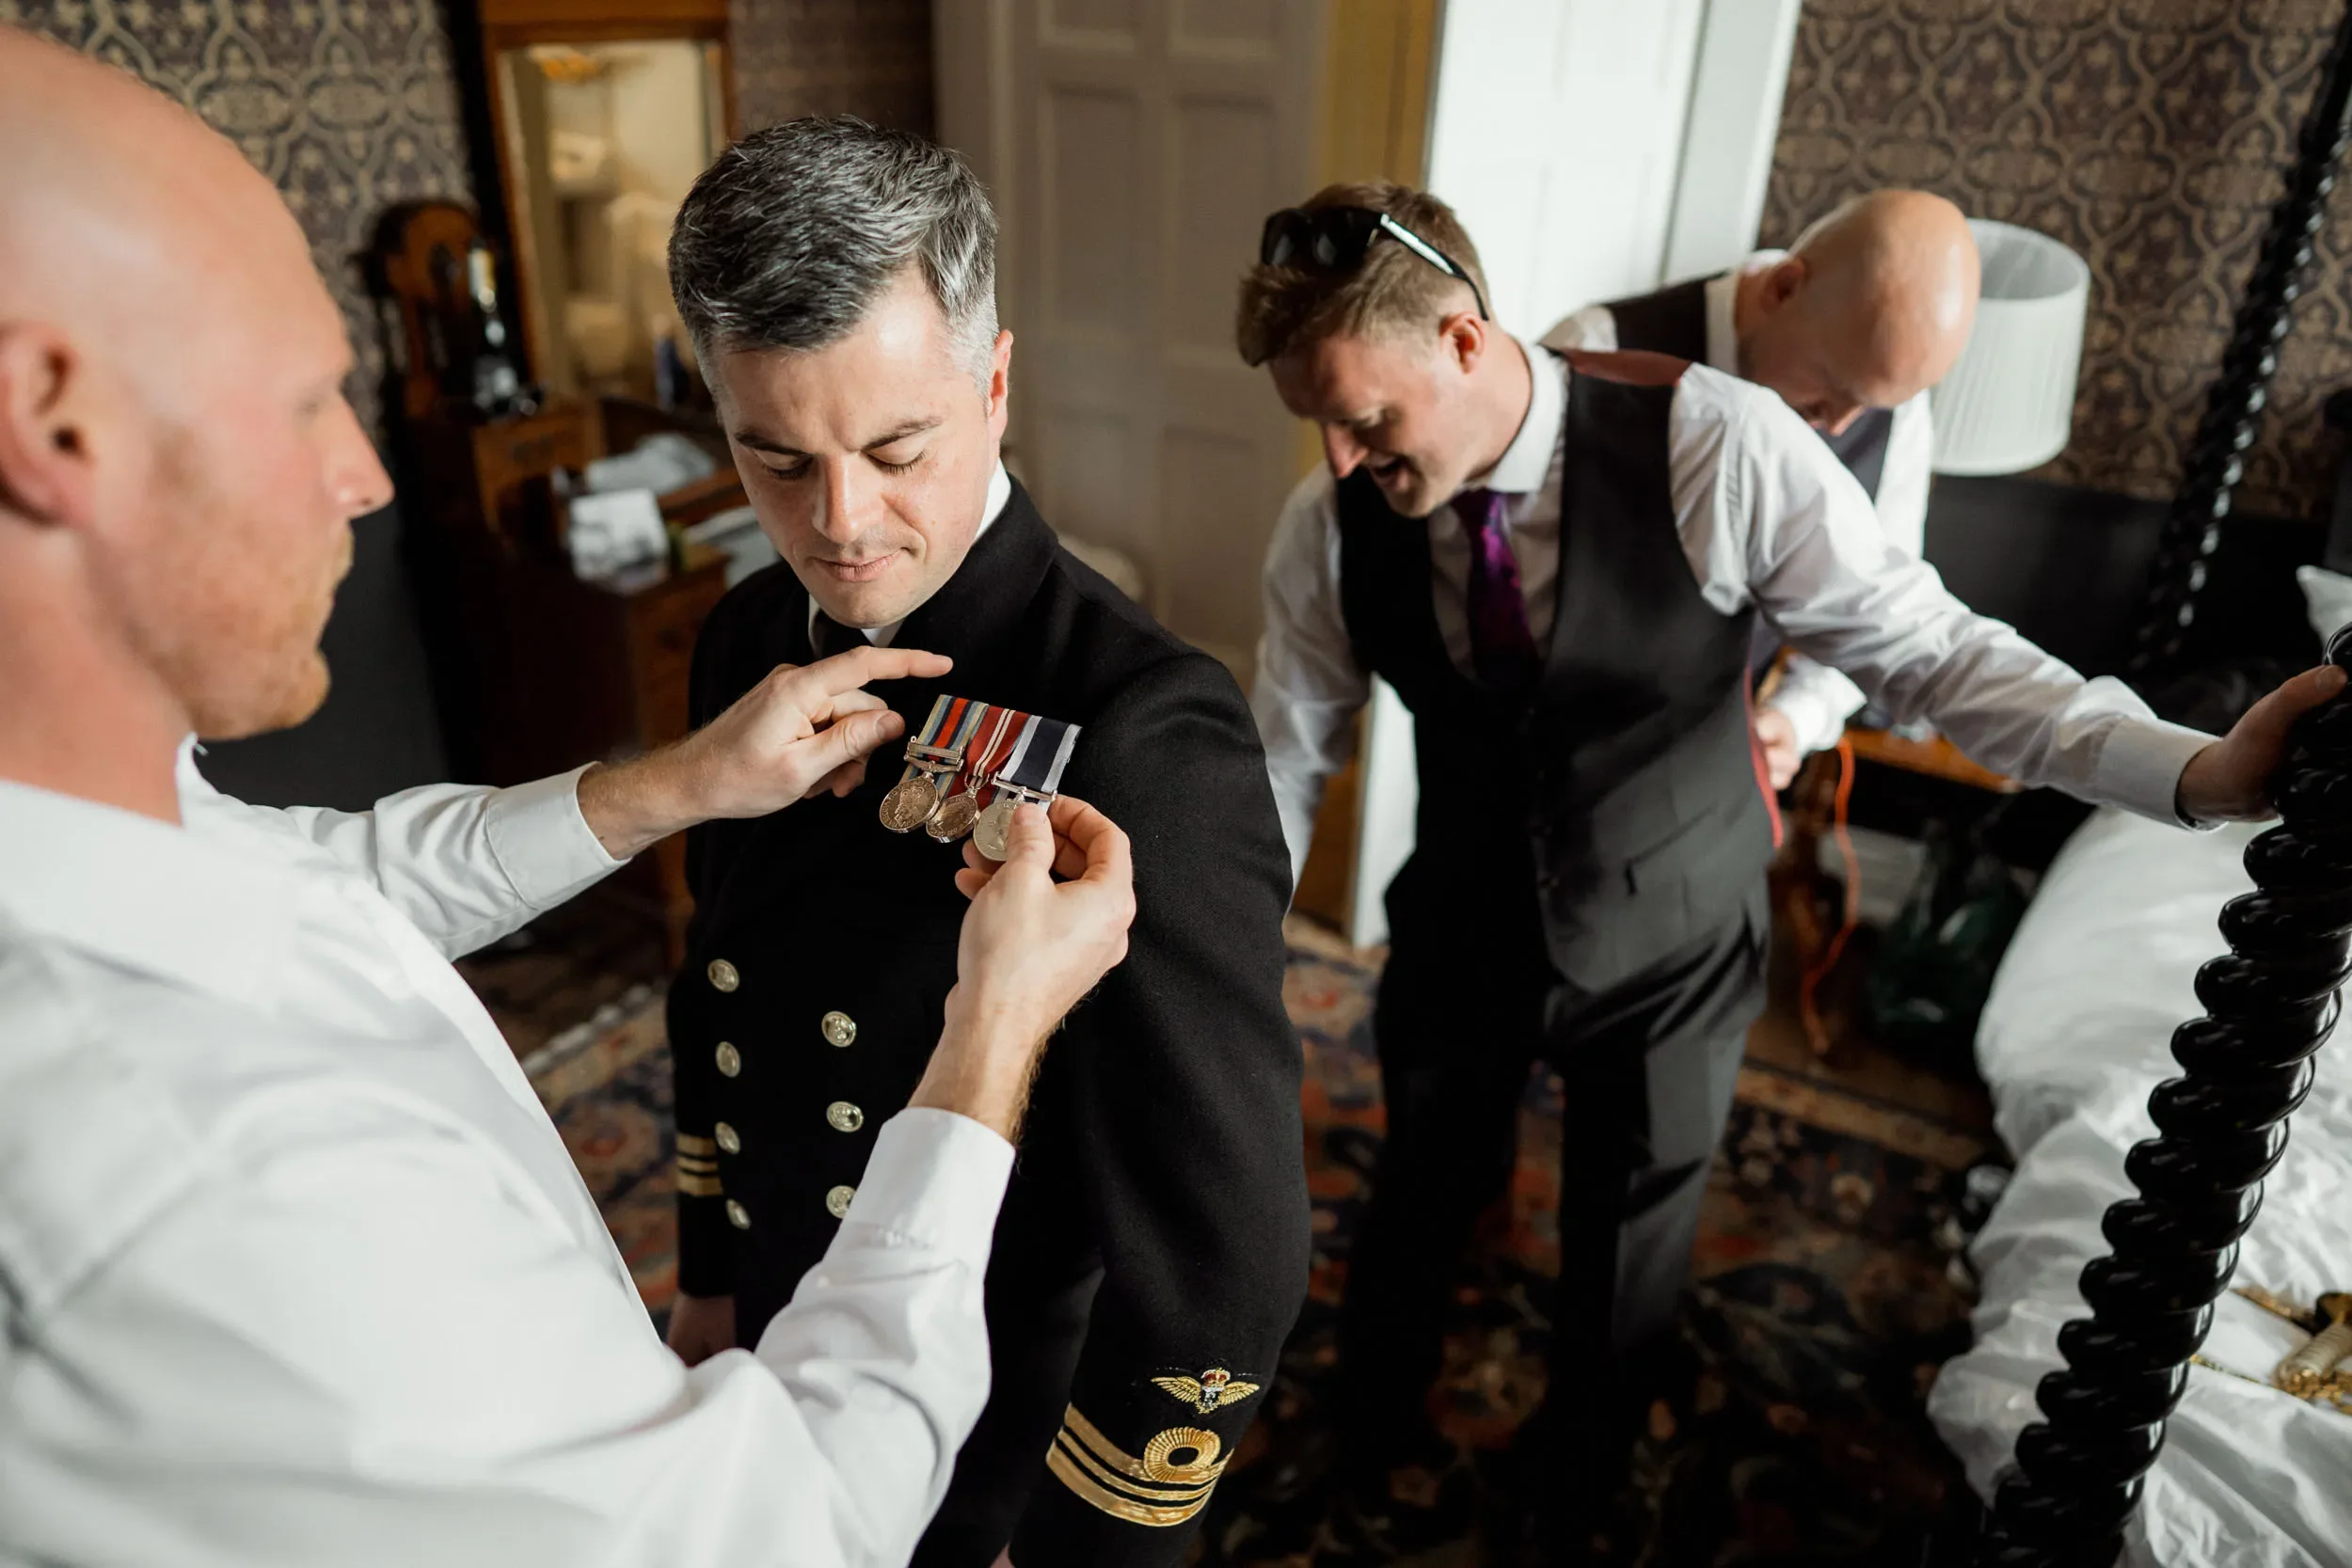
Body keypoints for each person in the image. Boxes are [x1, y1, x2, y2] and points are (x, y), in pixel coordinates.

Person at [0, 29, 1138, 1567]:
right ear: (45, 420)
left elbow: (327, 879)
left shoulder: (1142, 717)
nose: (366, 476)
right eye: (304, 394)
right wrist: (991, 1026)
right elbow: (784, 1530)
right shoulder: (208, 1175)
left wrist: (669, 785)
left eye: (893, 446)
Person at [1234, 181, 2341, 1563]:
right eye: (1317, 424)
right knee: (1415, 1197)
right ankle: (1365, 1427)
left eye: (1364, 418)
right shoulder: (1326, 527)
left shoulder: (1717, 442)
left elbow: (1933, 653)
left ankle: (1576, 1502)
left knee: (1626, 1252)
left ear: (1464, 339)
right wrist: (1213, 963)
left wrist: (2193, 768)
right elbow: (1283, 756)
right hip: (1459, 926)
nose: (1338, 459)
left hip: (1675, 936)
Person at [657, 119, 1311, 1568]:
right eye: (775, 459)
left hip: (990, 1416)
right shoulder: (745, 641)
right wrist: (712, 1271)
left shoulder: (1148, 732)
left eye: (899, 449)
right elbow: (722, 989)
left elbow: (1225, 1251)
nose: (841, 524)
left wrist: (1081, 1538)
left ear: (996, 382)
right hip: (775, 1318)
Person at [1543, 189, 1975, 786]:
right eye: (1832, 386)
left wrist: (1798, 717)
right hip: (1546, 754)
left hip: (1711, 789)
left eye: (1868, 405)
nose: (1840, 425)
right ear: (1783, 288)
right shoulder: (1597, 346)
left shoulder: (1893, 406)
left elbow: (1878, 601)